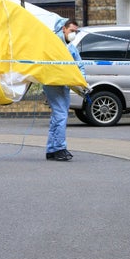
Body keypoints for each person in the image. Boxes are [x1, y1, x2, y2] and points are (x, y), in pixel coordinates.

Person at [41, 18, 85, 162]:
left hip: (64, 84)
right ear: (63, 29)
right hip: (53, 83)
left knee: (58, 116)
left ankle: (52, 149)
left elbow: (79, 66)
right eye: (72, 31)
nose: (74, 34)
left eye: (76, 32)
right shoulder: (54, 44)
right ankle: (59, 148)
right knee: (61, 115)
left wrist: (82, 82)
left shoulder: (70, 47)